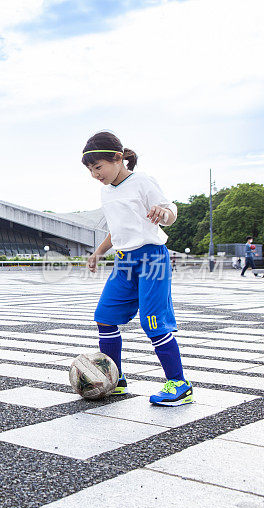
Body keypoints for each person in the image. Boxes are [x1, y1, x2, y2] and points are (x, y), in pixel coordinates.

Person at [84, 131, 192, 406]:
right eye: (90, 169)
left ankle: (179, 384)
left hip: (152, 259)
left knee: (153, 322)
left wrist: (163, 214)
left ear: (118, 159)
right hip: (124, 262)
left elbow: (171, 212)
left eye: (98, 167)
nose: (95, 174)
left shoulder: (142, 181)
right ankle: (115, 378)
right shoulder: (105, 192)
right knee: (105, 317)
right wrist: (98, 253)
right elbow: (116, 229)